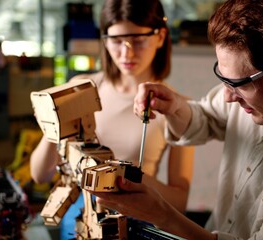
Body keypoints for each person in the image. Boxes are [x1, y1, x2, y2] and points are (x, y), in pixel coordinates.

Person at [91, 0, 263, 239]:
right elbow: (206, 118)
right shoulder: (258, 99)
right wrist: (174, 106)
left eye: (237, 83)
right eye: (223, 78)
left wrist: (162, 215)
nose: (228, 97)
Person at [30, 0, 195, 239]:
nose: (126, 52)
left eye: (138, 40)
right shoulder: (80, 89)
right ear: (104, 40)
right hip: (77, 222)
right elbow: (40, 174)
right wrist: (54, 119)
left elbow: (179, 202)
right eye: (116, 41)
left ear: (160, 37)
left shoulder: (179, 109)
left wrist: (124, 174)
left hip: (130, 226)